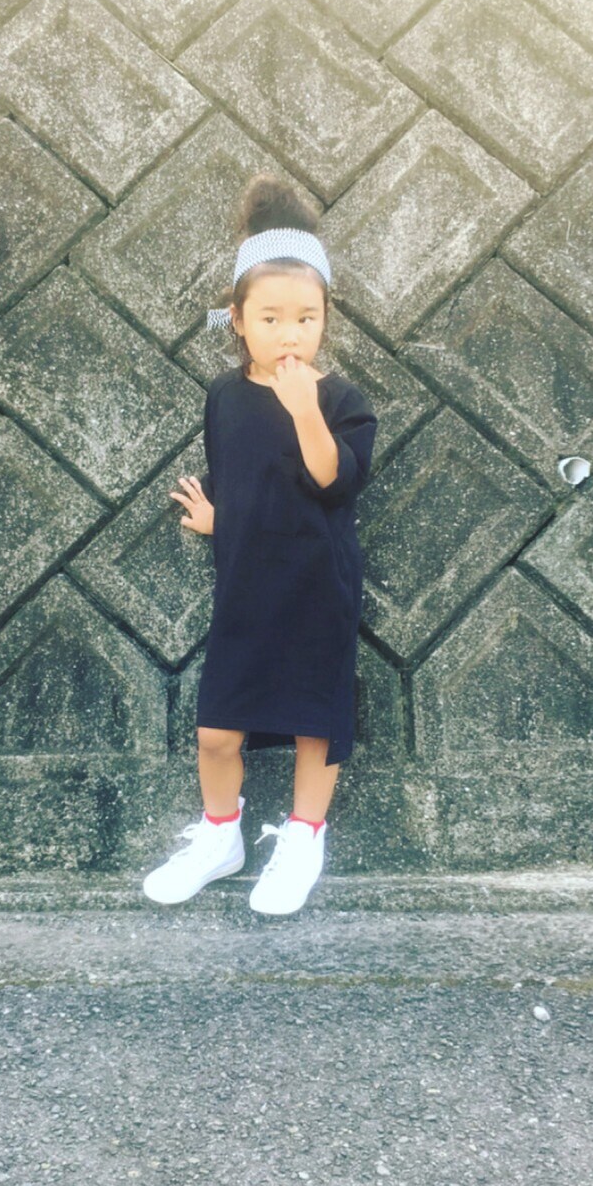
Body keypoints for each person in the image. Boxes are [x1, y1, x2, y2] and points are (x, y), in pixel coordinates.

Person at [142, 173, 378, 916]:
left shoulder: (340, 400)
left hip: (318, 587)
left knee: (315, 727)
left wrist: (305, 410)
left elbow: (333, 483)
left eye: (306, 318)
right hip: (247, 586)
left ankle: (304, 839)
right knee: (217, 730)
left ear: (325, 320)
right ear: (238, 320)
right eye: (270, 318)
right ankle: (222, 837)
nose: (289, 333)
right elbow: (245, 478)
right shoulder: (224, 396)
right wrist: (225, 520)